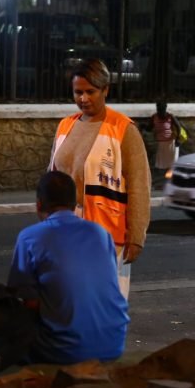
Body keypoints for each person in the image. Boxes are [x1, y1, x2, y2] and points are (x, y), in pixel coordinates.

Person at [49, 58, 150, 298]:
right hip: (65, 230)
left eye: (90, 92)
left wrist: (136, 236)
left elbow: (139, 185)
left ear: (105, 90)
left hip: (107, 234)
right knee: (68, 299)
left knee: (104, 303)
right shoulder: (65, 126)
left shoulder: (124, 129)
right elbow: (51, 177)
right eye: (78, 92)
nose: (83, 98)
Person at [7, 171, 129, 364]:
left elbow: (25, 299)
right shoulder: (101, 233)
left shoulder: (30, 237)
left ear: (39, 204)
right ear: (75, 203)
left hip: (65, 350)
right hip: (114, 342)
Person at [140, 101, 185, 182]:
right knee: (162, 165)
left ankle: (173, 181)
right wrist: (143, 126)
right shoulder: (154, 117)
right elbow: (149, 128)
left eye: (162, 109)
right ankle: (166, 181)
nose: (160, 111)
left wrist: (178, 139)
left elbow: (178, 127)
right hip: (161, 144)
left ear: (165, 108)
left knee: (172, 164)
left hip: (172, 143)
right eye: (159, 109)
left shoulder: (170, 117)